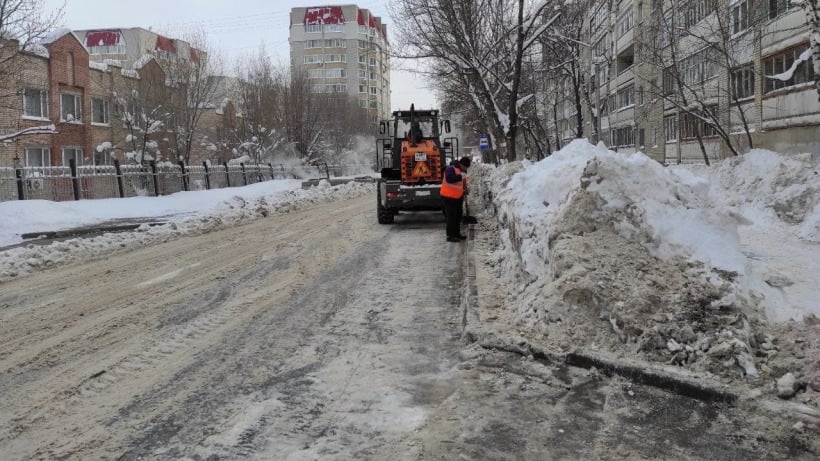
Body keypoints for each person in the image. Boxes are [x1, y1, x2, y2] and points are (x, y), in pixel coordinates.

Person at [440, 156, 471, 242]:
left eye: (467, 167)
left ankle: (457, 234)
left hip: (458, 197)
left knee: (458, 216)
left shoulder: (463, 171)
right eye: (465, 167)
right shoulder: (451, 169)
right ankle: (450, 236)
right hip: (448, 197)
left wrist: (465, 189)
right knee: (451, 217)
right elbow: (450, 179)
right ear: (461, 164)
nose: (465, 169)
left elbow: (462, 182)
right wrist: (460, 176)